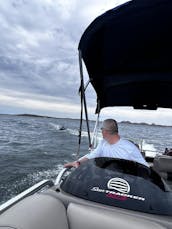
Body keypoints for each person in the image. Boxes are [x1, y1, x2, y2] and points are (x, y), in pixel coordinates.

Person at [64, 119, 149, 168]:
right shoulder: (103, 143)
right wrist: (76, 163)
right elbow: (92, 155)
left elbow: (145, 168)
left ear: (105, 131)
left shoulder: (130, 148)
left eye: (101, 129)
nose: (101, 131)